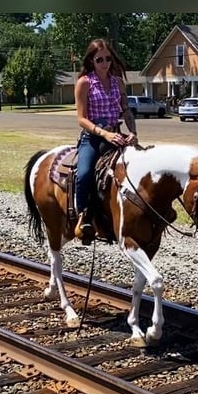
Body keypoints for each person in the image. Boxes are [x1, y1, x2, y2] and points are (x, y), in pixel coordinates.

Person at [74, 38, 138, 243]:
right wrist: (104, 134)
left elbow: (126, 110)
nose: (105, 63)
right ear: (92, 60)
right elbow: (81, 119)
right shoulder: (84, 83)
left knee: (139, 167)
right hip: (92, 139)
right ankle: (82, 215)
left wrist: (133, 133)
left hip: (117, 135)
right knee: (84, 174)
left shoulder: (117, 81)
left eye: (108, 59)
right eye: (99, 59)